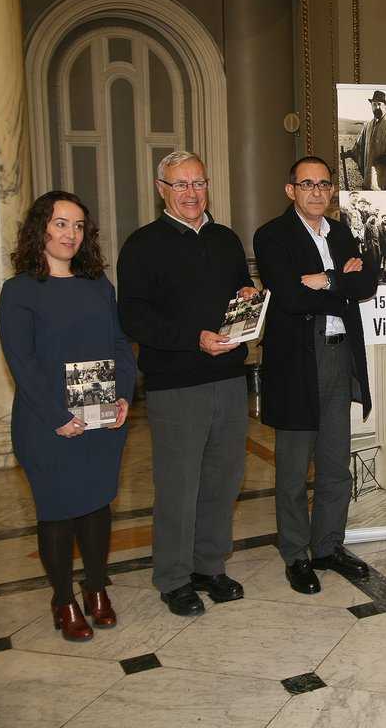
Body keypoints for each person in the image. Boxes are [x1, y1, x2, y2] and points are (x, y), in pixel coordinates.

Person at [117, 150, 255, 617]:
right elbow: (133, 317)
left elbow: (239, 288)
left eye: (198, 183)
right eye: (180, 184)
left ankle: (209, 566)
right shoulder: (142, 245)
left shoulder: (226, 239)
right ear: (162, 190)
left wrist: (248, 295)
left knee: (224, 479)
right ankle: (174, 577)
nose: (191, 193)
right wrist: (193, 339)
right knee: (179, 485)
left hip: (229, 378)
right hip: (175, 384)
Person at [0, 191, 136, 639]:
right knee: (57, 511)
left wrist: (124, 396)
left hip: (100, 415)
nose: (70, 234)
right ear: (40, 228)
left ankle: (96, 588)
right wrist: (58, 415)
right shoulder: (19, 292)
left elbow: (120, 345)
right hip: (47, 423)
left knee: (97, 506)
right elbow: (22, 364)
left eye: (78, 226)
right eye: (60, 224)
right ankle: (63, 599)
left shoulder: (98, 285)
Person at [254, 155, 379, 595]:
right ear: (291, 190)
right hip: (297, 364)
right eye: (307, 184)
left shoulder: (341, 233)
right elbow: (289, 298)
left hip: (340, 356)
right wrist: (340, 284)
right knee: (292, 469)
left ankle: (328, 546)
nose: (316, 192)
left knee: (334, 463)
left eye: (324, 184)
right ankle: (296, 554)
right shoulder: (272, 235)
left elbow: (367, 285)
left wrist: (324, 280)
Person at [342, 90, 386, 190]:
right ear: (371, 106)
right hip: (372, 172)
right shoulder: (368, 125)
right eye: (374, 104)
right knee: (372, 189)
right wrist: (349, 153)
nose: (377, 107)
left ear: (385, 106)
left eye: (379, 104)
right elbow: (360, 146)